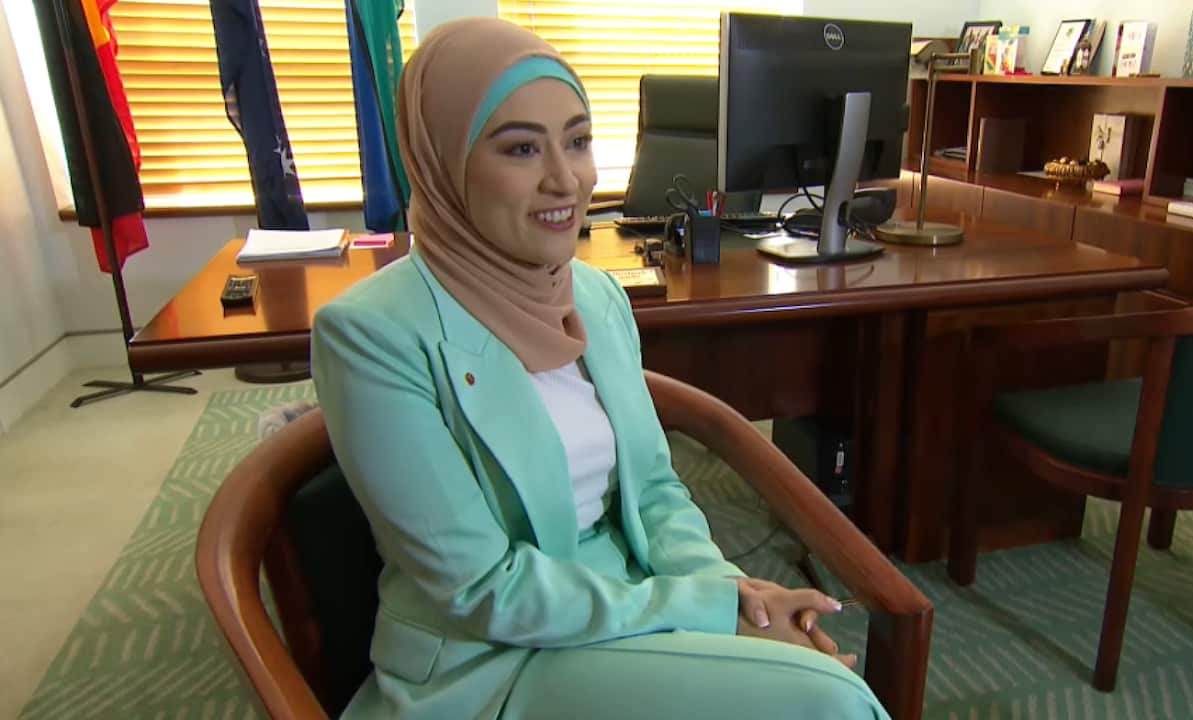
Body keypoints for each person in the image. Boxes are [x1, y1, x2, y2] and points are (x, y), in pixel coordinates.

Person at [311, 17, 890, 720]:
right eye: (522, 148)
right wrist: (704, 608)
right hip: (494, 659)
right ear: (443, 163)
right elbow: (481, 589)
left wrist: (735, 597)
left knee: (809, 685)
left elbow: (655, 492)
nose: (566, 179)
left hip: (628, 603)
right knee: (830, 700)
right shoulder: (372, 334)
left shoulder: (596, 295)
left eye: (579, 141)